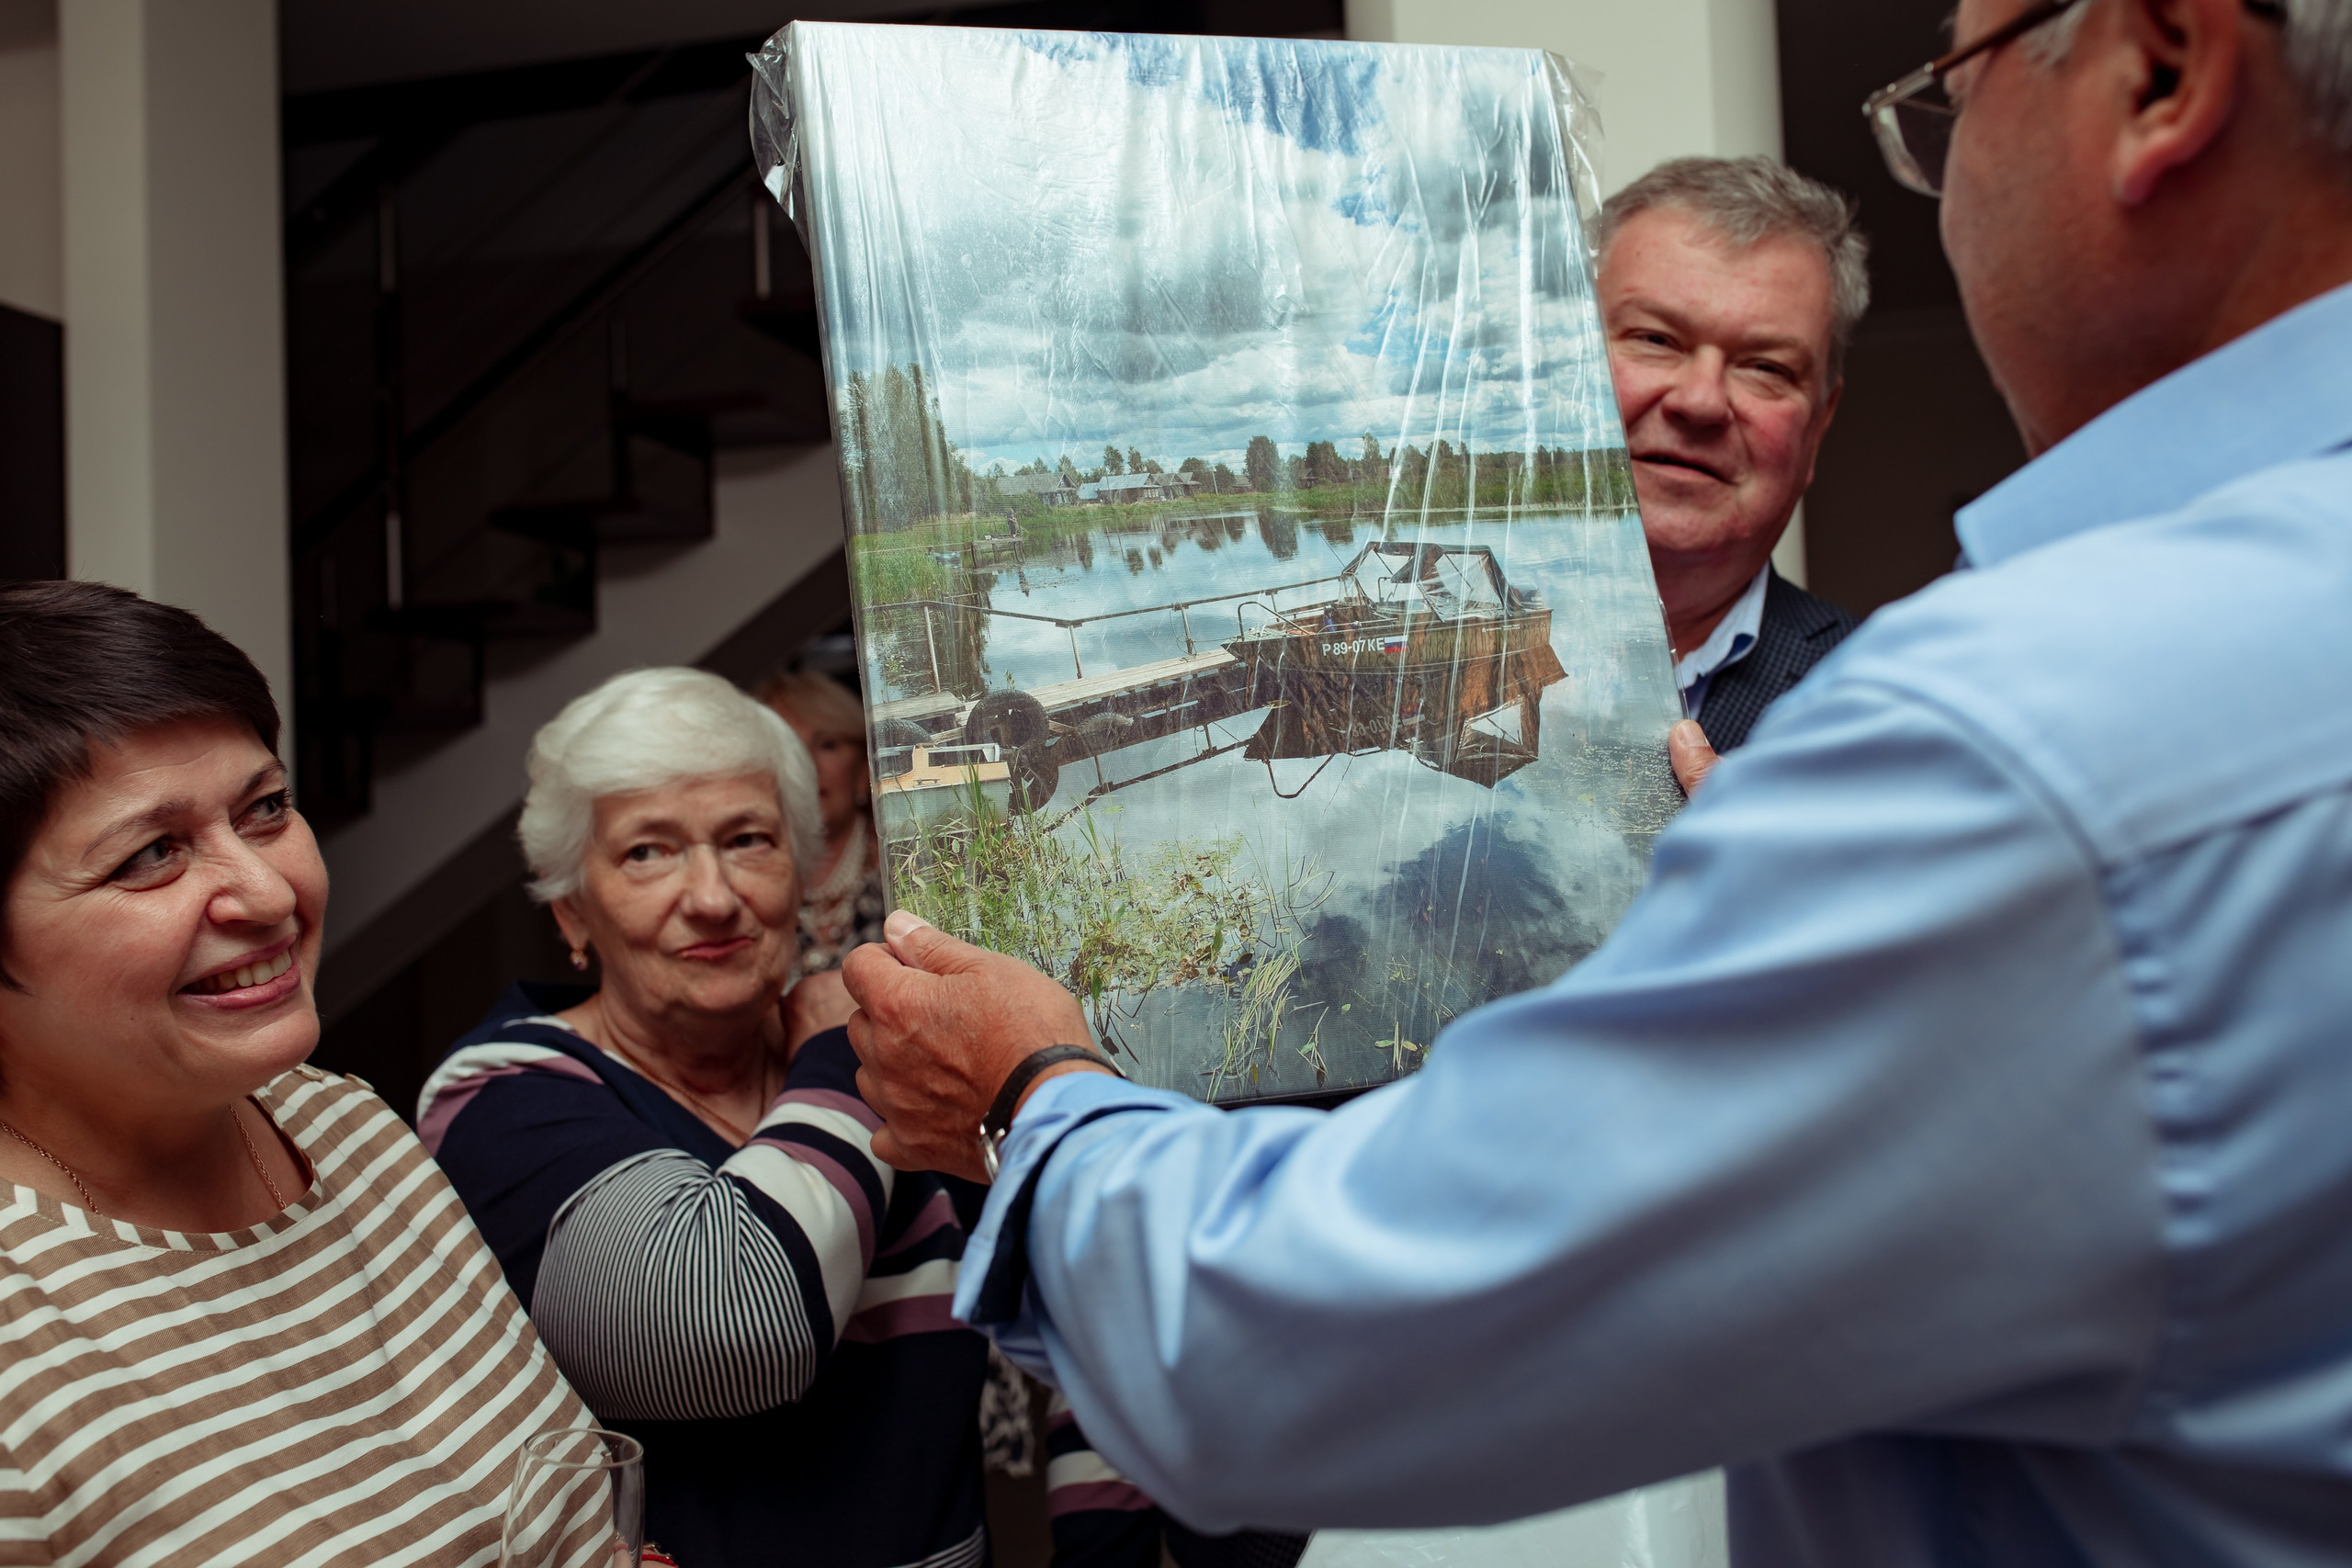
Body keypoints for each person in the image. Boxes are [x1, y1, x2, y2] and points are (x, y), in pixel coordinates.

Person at [841, 0, 2352, 1558]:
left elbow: (1290, 1338)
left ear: (2163, 68)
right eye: (1652, 340)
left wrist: (1032, 1093)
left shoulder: (1982, 746)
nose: (1697, 397)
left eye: (1950, 90)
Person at [0, 581, 598, 1564]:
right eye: (152, 854)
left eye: (266, 809)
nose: (269, 892)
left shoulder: (343, 1127)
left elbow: (569, 1511)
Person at [419, 667, 989, 1568]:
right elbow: (735, 1328)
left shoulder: (896, 1066)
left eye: (748, 839)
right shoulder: (496, 1094)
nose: (714, 897)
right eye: (647, 852)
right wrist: (837, 1050)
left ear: (800, 871)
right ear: (572, 912)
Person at [1600, 156, 1866, 751]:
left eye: (1766, 367)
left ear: (1819, 424)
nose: (1700, 401)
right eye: (1655, 338)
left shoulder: (1886, 710)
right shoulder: (1417, 640)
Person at [757, 668, 888, 973]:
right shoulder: (743, 889)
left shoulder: (908, 870)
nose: (807, 767)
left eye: (827, 745)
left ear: (863, 768)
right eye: (786, 752)